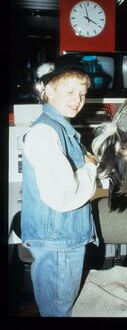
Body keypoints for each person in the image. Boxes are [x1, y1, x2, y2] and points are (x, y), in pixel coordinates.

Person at [21, 62, 98, 317]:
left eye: (83, 93)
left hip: (61, 240)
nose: (78, 100)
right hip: (58, 244)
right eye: (70, 91)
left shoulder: (60, 128)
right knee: (57, 311)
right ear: (48, 91)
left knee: (59, 307)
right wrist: (90, 169)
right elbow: (64, 197)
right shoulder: (45, 133)